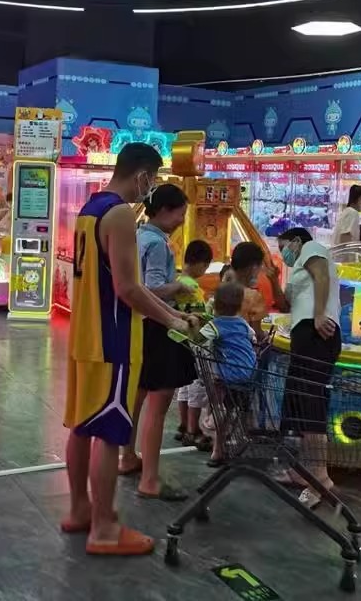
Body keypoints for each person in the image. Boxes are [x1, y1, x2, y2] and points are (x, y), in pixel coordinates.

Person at [61, 143, 196, 556]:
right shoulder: (120, 213)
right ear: (141, 174)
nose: (150, 188)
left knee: (82, 426)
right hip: (113, 339)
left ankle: (81, 510)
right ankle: (104, 528)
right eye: (152, 179)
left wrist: (169, 313)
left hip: (84, 335)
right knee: (109, 432)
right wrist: (173, 321)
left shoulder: (91, 209)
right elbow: (129, 289)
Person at [119, 184, 196, 501]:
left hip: (138, 325)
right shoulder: (158, 244)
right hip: (157, 327)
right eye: (180, 214)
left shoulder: (137, 236)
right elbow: (151, 289)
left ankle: (128, 456)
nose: (181, 221)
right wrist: (179, 287)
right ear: (164, 210)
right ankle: (150, 479)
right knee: (158, 405)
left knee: (136, 397)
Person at [274, 227, 342, 508]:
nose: (283, 253)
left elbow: (322, 276)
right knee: (300, 402)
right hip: (303, 336)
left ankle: (319, 476)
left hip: (318, 333)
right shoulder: (296, 271)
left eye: (284, 247)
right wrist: (272, 277)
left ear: (296, 241)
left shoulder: (312, 248)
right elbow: (286, 303)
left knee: (312, 403)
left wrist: (318, 314)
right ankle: (303, 470)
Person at [200, 281, 259, 466]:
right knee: (241, 406)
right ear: (240, 306)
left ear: (215, 305)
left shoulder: (214, 325)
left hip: (227, 375)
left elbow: (199, 338)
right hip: (249, 373)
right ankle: (242, 438)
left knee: (222, 406)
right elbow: (253, 338)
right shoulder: (243, 324)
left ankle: (217, 447)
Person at [174, 239, 213, 451]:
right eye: (206, 267)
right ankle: (193, 429)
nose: (205, 271)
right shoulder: (192, 287)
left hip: (179, 339)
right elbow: (199, 315)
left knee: (184, 386)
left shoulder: (178, 280)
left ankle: (183, 425)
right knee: (197, 386)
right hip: (192, 340)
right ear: (200, 263)